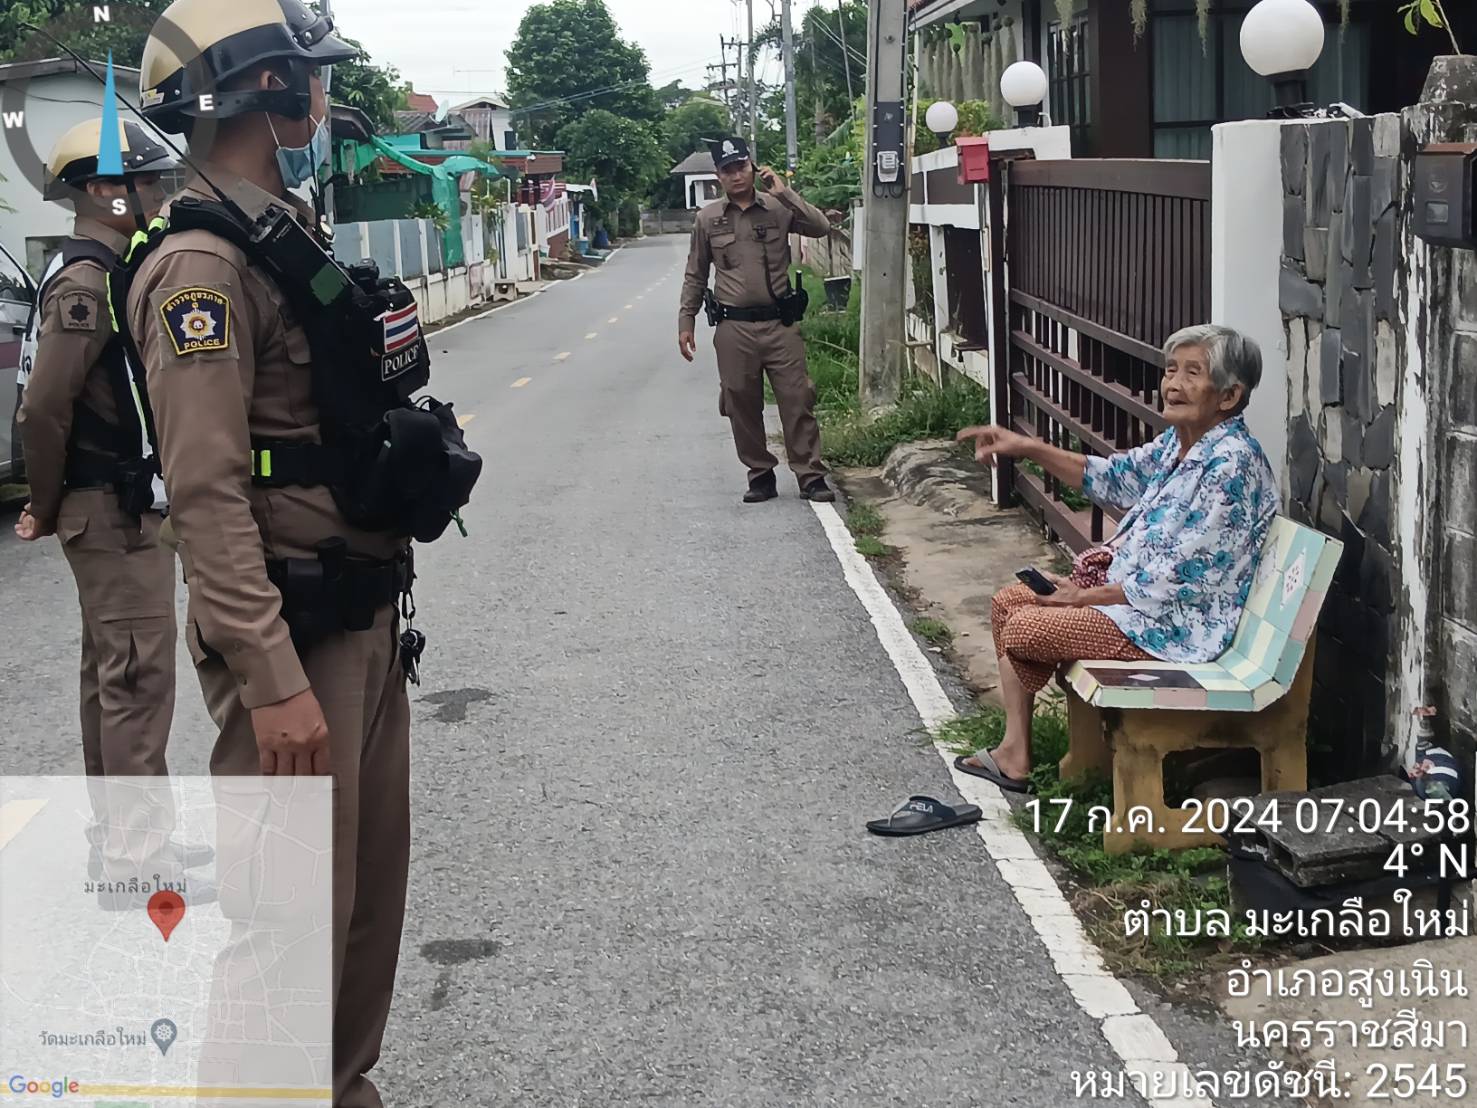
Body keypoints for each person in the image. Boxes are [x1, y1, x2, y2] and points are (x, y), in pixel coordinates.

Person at [121, 0, 478, 1100]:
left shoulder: (284, 232)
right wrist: (272, 679)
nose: (325, 96)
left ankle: (341, 1085)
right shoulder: (200, 268)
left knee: (361, 906)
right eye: (310, 76)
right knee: (286, 924)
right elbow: (206, 491)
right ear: (265, 89)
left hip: (361, 614)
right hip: (294, 633)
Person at [954, 325, 1280, 793]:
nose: (1173, 384)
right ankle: (1014, 753)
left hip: (1175, 627)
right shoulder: (1180, 443)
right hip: (1136, 607)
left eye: (1192, 373)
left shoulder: (1230, 465)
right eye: (1171, 370)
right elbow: (1112, 477)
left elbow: (1179, 578)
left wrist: (1083, 598)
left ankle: (1064, 759)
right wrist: (1025, 447)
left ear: (1229, 396)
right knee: (1010, 602)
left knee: (1025, 628)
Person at [14, 118, 179, 781]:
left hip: (112, 506)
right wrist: (45, 504)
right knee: (137, 683)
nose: (158, 194)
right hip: (113, 510)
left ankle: (117, 830)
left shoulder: (96, 266)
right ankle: (138, 842)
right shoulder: (87, 280)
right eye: (146, 182)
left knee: (113, 677)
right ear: (104, 190)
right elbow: (44, 406)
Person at [678, 135, 836, 504]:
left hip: (780, 325)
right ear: (718, 176)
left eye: (741, 167)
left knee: (797, 398)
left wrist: (786, 193)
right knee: (739, 401)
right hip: (733, 327)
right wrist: (686, 320)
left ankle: (810, 475)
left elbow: (821, 227)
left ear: (753, 167)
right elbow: (695, 274)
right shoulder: (708, 219)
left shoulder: (778, 208)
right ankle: (760, 473)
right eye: (728, 170)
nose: (736, 175)